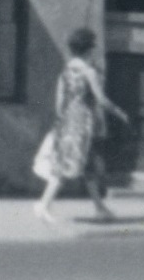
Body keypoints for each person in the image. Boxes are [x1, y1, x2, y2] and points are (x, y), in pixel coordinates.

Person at [34, 27, 128, 223]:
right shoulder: (88, 72)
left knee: (88, 167)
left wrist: (63, 121)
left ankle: (100, 208)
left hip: (66, 122)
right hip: (83, 125)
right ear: (88, 50)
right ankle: (43, 205)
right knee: (66, 166)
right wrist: (119, 113)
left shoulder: (65, 72)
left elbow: (59, 104)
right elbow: (101, 100)